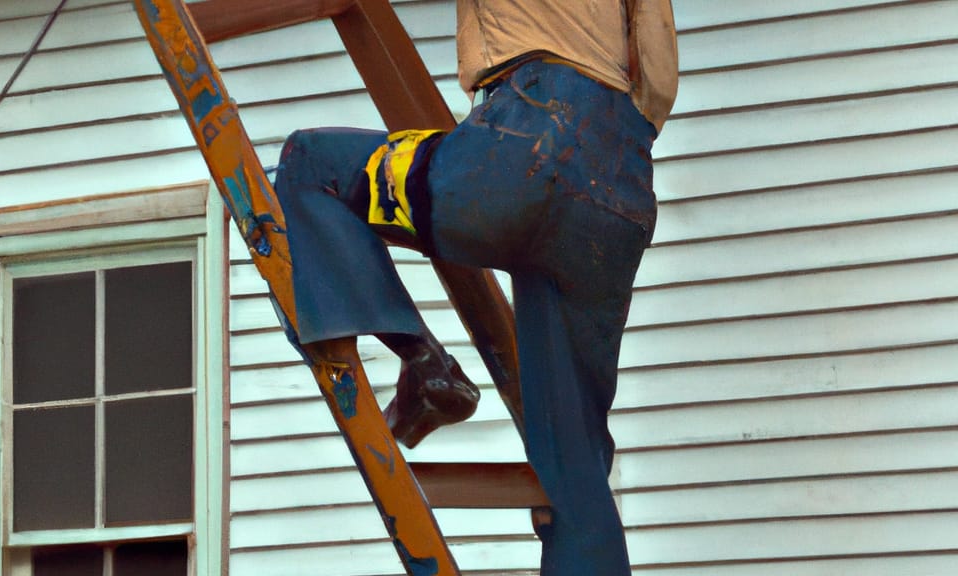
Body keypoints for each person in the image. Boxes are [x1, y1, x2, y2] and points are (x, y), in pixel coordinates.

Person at [271, 1, 678, 573]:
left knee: (311, 165)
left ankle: (424, 361)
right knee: (575, 469)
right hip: (620, 190)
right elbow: (659, 76)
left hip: (522, 144)